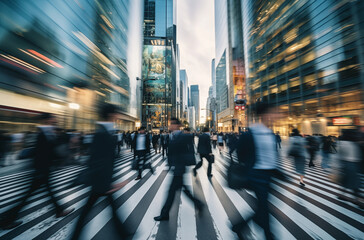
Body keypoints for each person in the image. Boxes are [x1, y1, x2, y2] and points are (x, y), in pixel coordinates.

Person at [0, 113, 74, 230]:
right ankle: (6, 220)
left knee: (41, 193)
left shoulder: (47, 132)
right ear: (47, 120)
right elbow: (40, 153)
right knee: (28, 197)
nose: (55, 120)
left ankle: (59, 210)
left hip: (42, 170)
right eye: (53, 118)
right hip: (41, 170)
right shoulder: (42, 133)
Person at [71, 103, 130, 240]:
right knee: (90, 211)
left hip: (102, 180)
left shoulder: (104, 131)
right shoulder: (102, 133)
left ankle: (123, 233)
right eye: (116, 113)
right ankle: (123, 233)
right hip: (101, 181)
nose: (118, 116)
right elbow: (97, 161)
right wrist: (108, 183)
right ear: (111, 115)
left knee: (105, 209)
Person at [232, 102, 279, 240]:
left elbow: (271, 156)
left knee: (262, 208)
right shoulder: (251, 133)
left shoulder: (269, 132)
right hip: (256, 175)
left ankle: (239, 226)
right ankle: (269, 236)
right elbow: (240, 153)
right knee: (264, 208)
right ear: (264, 115)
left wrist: (278, 173)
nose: (275, 115)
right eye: (273, 112)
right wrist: (250, 167)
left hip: (268, 175)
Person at [154, 118, 204, 221]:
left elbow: (189, 150)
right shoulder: (171, 136)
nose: (169, 126)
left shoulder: (184, 136)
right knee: (182, 190)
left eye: (171, 124)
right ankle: (198, 204)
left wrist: (187, 162)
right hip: (176, 168)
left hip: (180, 168)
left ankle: (165, 214)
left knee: (171, 191)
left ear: (176, 125)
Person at [337, 129, 362, 203]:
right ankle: (356, 198)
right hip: (355, 164)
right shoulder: (355, 143)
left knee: (349, 181)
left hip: (345, 164)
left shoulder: (340, 143)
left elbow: (335, 155)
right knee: (352, 181)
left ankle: (357, 199)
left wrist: (336, 167)